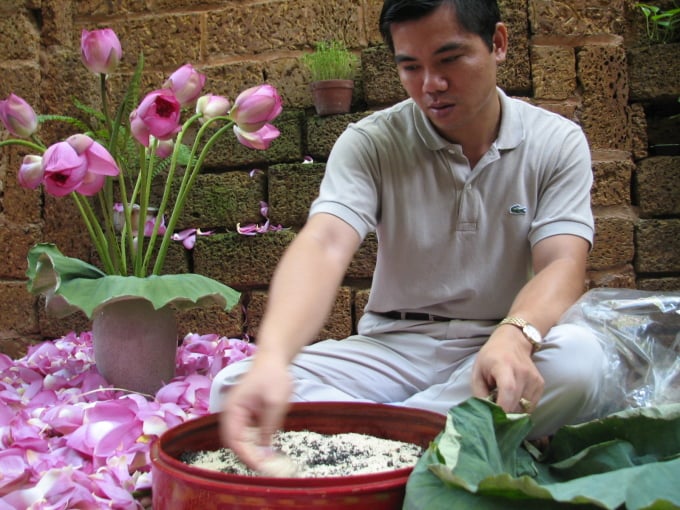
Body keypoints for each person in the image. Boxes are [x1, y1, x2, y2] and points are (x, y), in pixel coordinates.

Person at [209, 0, 606, 472]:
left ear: (497, 44)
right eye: (411, 67)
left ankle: (379, 443)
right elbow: (326, 242)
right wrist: (274, 357)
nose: (430, 86)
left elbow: (562, 264)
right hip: (392, 347)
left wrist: (516, 334)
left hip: (498, 343)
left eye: (449, 60)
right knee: (233, 386)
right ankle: (442, 437)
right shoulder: (372, 142)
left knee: (581, 364)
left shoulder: (556, 142)